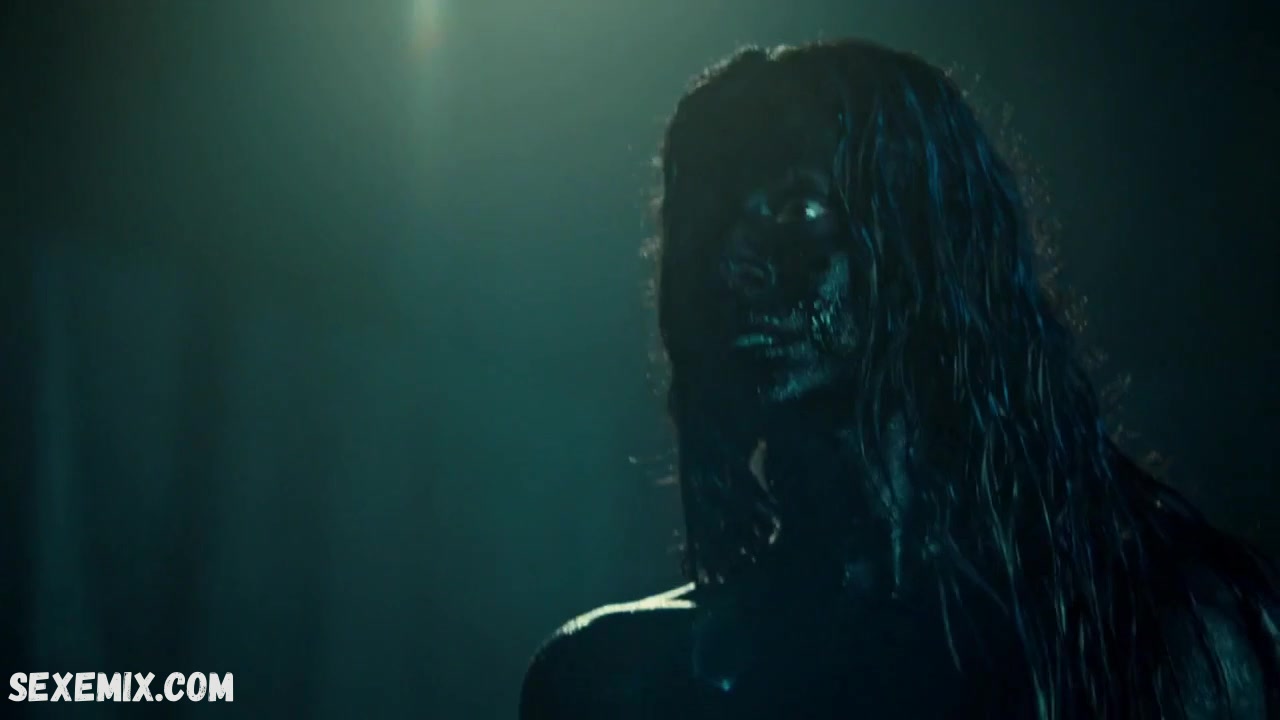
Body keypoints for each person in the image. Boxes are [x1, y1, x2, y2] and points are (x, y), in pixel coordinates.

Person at [519, 39, 1280, 719]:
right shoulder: (616, 680)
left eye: (799, 209)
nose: (729, 264)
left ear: (927, 248)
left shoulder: (1164, 631)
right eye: (707, 223)